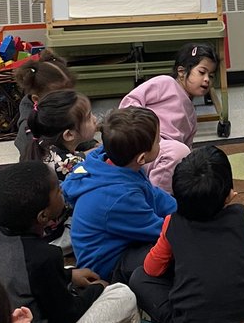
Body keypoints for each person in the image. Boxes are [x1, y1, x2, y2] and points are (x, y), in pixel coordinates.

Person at [0, 163, 141, 323]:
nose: (62, 188)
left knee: (67, 270)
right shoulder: (44, 257)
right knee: (124, 295)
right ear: (43, 216)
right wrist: (97, 290)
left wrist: (69, 276)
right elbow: (67, 315)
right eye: (58, 190)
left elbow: (29, 275)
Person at [129, 146, 244, 323]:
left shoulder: (173, 223)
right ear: (229, 195)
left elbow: (151, 269)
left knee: (138, 278)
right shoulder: (240, 215)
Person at [63, 108, 176, 284]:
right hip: (106, 267)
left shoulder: (111, 162)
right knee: (172, 252)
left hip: (121, 242)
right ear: (141, 158)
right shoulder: (119, 198)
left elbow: (155, 195)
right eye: (157, 140)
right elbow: (161, 231)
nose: (161, 141)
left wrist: (185, 209)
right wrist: (193, 227)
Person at [118, 43, 218, 192]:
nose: (207, 79)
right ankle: (154, 198)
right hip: (142, 145)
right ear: (182, 72)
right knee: (178, 153)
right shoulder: (165, 83)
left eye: (211, 75)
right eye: (202, 72)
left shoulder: (191, 114)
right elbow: (129, 103)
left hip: (164, 156)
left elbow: (187, 149)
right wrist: (146, 131)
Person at [24, 91, 101, 251]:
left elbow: (77, 156)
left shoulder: (42, 146)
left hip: (37, 228)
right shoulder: (71, 164)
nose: (94, 119)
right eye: (88, 117)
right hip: (56, 236)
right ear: (69, 134)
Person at [15, 51, 78, 159]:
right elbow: (46, 157)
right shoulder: (29, 127)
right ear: (37, 99)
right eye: (59, 96)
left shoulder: (62, 107)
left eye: (71, 93)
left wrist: (91, 143)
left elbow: (79, 129)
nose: (68, 100)